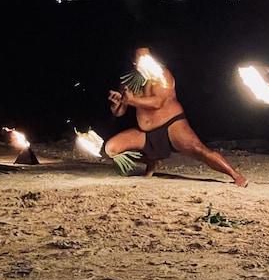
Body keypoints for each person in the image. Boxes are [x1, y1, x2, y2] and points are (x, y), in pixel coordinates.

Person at [104, 47, 249, 187]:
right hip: (146, 130)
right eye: (140, 57)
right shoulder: (127, 82)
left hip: (172, 124)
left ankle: (235, 175)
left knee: (199, 150)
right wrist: (117, 104)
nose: (144, 60)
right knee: (111, 149)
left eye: (147, 56)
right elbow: (119, 112)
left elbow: (158, 102)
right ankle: (151, 161)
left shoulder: (162, 75)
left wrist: (132, 100)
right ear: (134, 61)